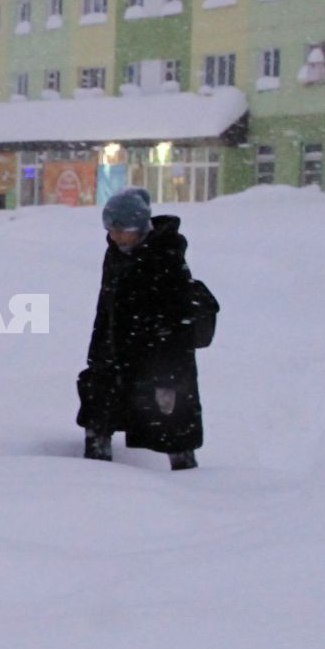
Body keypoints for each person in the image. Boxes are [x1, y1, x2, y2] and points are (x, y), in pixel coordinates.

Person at [76, 187, 204, 470]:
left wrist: (169, 376)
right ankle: (93, 475)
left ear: (141, 227)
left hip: (158, 358)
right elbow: (105, 310)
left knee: (173, 424)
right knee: (98, 413)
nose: (115, 235)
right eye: (110, 228)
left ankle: (192, 487)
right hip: (115, 355)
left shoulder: (166, 257)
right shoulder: (116, 254)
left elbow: (178, 322)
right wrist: (98, 358)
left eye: (122, 229)